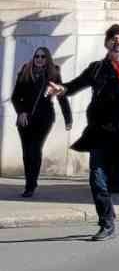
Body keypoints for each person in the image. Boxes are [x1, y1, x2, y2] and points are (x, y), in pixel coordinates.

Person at [54, 24, 119, 241]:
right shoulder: (97, 69)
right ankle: (107, 224)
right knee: (98, 181)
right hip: (101, 134)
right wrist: (62, 89)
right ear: (107, 44)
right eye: (113, 39)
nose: (118, 42)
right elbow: (76, 85)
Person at [12, 45, 71, 196]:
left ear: (47, 59)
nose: (39, 59)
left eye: (42, 57)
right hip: (25, 119)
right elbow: (15, 97)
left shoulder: (53, 73)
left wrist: (68, 118)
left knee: (35, 149)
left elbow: (61, 96)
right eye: (37, 56)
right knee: (26, 153)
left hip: (44, 118)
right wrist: (21, 112)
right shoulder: (26, 71)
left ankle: (30, 186)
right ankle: (30, 182)